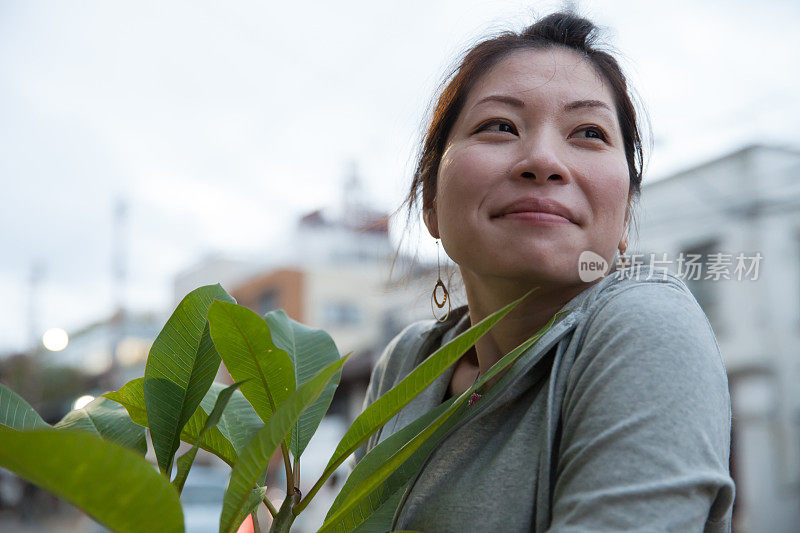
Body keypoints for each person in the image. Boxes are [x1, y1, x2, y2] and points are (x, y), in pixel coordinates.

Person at [354, 11, 735, 533]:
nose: (542, 160)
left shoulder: (646, 326)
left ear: (624, 216)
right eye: (499, 126)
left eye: (588, 133)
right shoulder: (405, 363)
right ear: (431, 201)